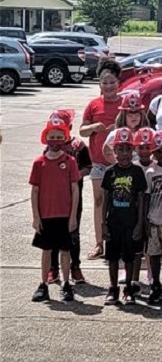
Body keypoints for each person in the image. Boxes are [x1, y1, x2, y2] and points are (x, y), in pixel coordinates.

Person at [30, 115, 82, 302]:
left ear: (65, 138)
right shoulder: (39, 163)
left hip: (64, 214)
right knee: (46, 250)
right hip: (46, 215)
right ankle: (43, 284)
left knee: (65, 250)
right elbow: (35, 191)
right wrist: (36, 217)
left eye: (59, 137)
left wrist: (73, 216)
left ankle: (66, 283)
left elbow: (75, 189)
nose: (55, 141)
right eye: (52, 136)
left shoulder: (70, 162)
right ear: (46, 138)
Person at [80, 58, 122, 259]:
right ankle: (99, 243)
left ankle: (120, 242)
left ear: (118, 83)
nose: (109, 86)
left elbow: (136, 126)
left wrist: (120, 128)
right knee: (99, 201)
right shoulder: (93, 105)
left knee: (120, 203)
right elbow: (82, 130)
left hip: (120, 163)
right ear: (99, 85)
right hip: (98, 163)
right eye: (104, 83)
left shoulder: (124, 104)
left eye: (112, 82)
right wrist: (93, 128)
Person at [101, 128, 148, 306]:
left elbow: (141, 199)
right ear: (114, 152)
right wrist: (102, 224)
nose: (124, 154)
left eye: (128, 149)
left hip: (131, 222)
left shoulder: (137, 172)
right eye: (120, 150)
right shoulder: (109, 172)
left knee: (129, 257)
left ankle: (128, 288)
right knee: (112, 257)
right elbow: (105, 199)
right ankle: (113, 288)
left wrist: (139, 224)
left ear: (133, 151)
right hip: (113, 222)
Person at [46, 108, 90, 285]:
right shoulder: (48, 148)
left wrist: (75, 175)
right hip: (54, 198)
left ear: (69, 126)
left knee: (73, 231)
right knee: (54, 231)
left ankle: (75, 267)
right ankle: (53, 268)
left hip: (73, 197)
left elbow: (88, 167)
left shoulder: (77, 146)